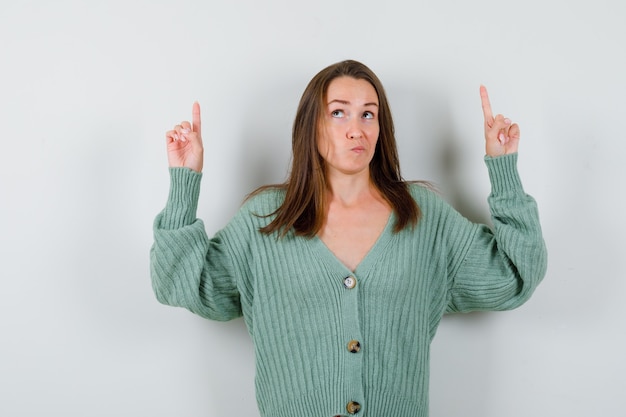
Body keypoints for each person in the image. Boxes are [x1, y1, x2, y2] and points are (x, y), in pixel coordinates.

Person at [150, 60, 547, 417]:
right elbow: (181, 282)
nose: (356, 129)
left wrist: (503, 168)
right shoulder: (266, 219)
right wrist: (184, 181)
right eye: (338, 113)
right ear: (312, 125)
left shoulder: (423, 216)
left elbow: (515, 276)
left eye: (368, 115)